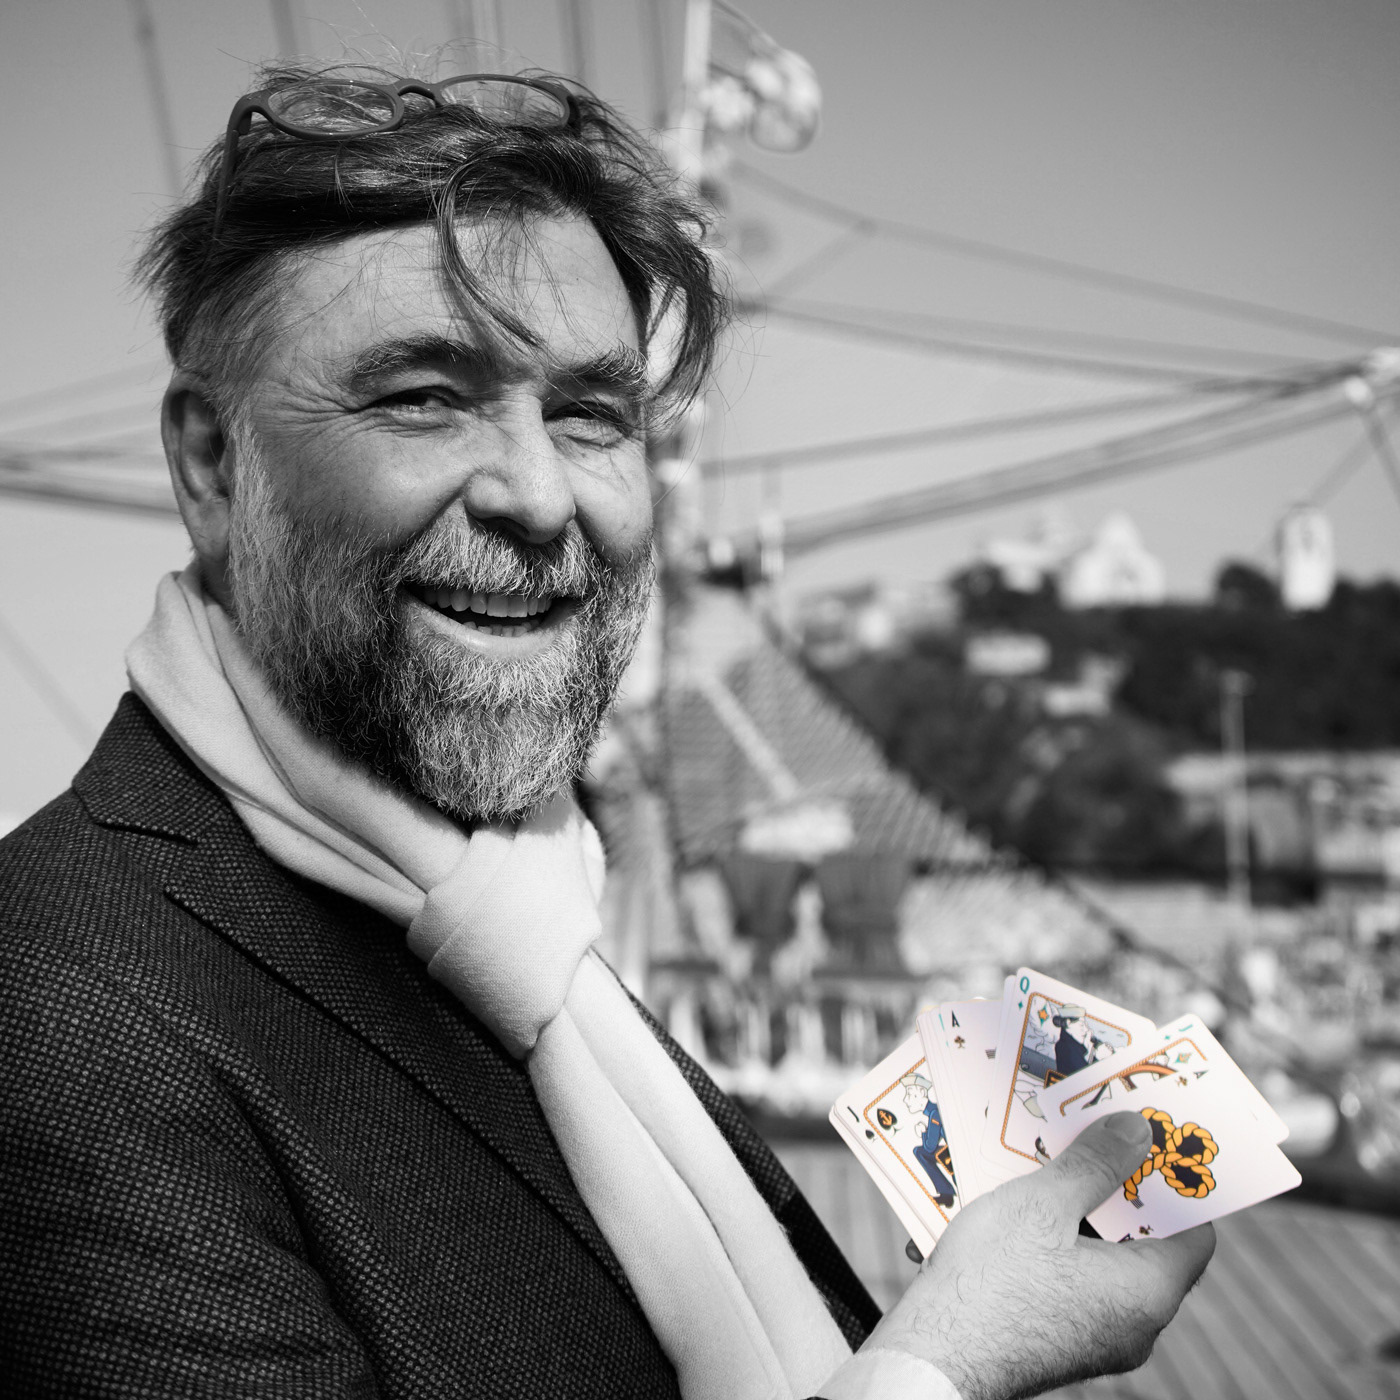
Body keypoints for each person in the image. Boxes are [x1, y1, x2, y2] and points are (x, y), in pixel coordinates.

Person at [0, 62, 1214, 1399]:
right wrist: (945, 1361)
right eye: (423, 396)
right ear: (210, 466)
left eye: (589, 416)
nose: (536, 497)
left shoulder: (519, 904)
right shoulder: (57, 1015)